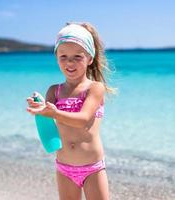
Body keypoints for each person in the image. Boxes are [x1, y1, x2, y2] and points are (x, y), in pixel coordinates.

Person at [26, 22, 115, 200]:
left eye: (77, 57)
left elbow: (83, 119)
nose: (70, 62)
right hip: (64, 167)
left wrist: (54, 113)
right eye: (63, 56)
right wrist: (40, 109)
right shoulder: (54, 91)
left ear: (89, 58)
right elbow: (48, 121)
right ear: (57, 58)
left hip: (92, 168)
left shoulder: (95, 88)